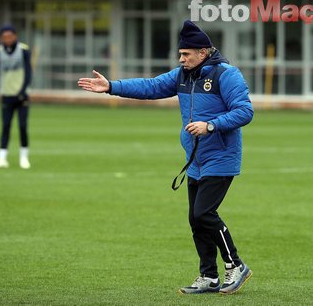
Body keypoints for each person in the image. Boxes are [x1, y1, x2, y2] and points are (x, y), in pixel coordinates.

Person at [78, 20, 254, 295]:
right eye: (180, 54)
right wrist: (112, 85)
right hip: (195, 159)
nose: (181, 59)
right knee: (195, 219)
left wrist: (211, 125)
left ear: (203, 52)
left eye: (186, 54)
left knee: (204, 213)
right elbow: (150, 86)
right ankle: (209, 276)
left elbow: (245, 112)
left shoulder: (226, 75)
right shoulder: (183, 75)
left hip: (221, 156)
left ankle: (236, 265)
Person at [0, 25, 32, 169]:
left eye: (10, 36)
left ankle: (24, 158)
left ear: (15, 36)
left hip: (21, 95)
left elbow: (29, 72)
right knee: (5, 126)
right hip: (6, 94)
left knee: (23, 126)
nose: (7, 39)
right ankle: (2, 158)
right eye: (4, 36)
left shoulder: (23, 50)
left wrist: (23, 90)